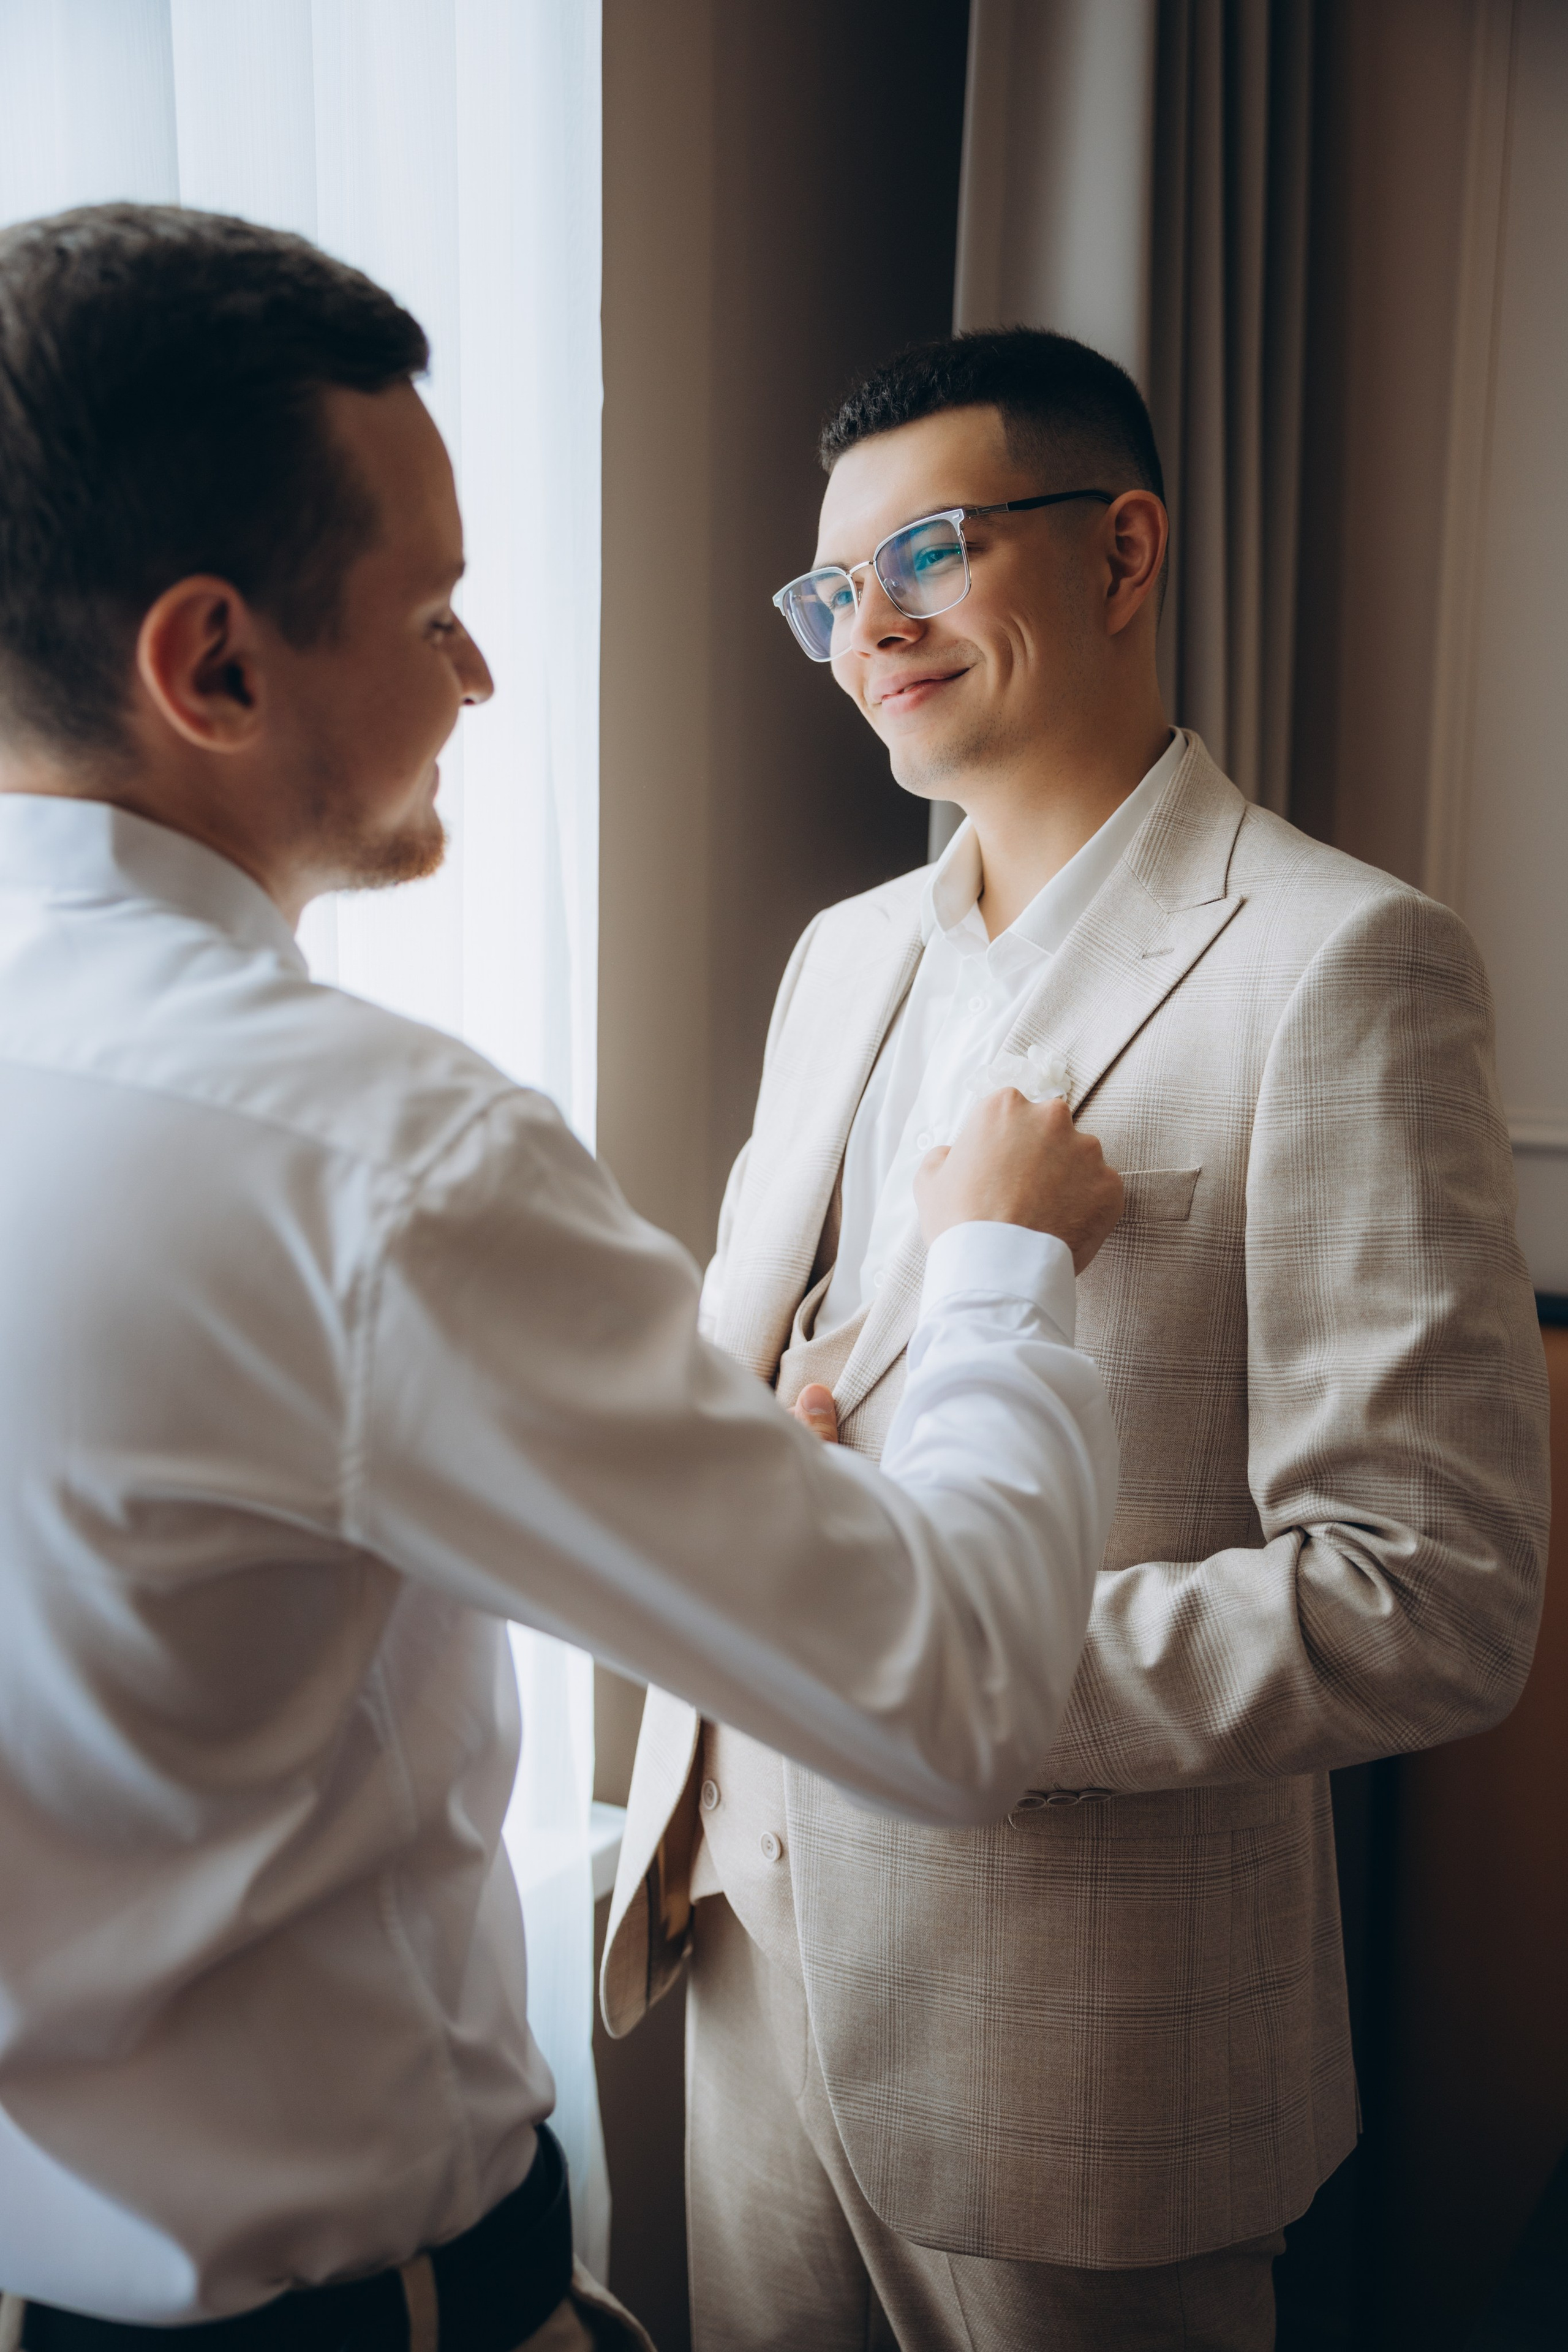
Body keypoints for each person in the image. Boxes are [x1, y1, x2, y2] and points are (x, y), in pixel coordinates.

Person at [0, 217, 1131, 2352]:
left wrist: (693, 1475)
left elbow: (176, 1597)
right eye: (431, 613)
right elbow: (957, 1687)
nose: (479, 675)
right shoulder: (374, 1169)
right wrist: (994, 1275)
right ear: (213, 666)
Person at [602, 328, 1553, 2351]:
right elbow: (765, 1377)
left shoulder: (1343, 966)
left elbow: (1435, 1597)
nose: (873, 628)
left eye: (930, 550)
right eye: (831, 590)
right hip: (751, 1948)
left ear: (1124, 554)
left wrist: (952, 1670)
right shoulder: (840, 953)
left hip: (1083, 2062)